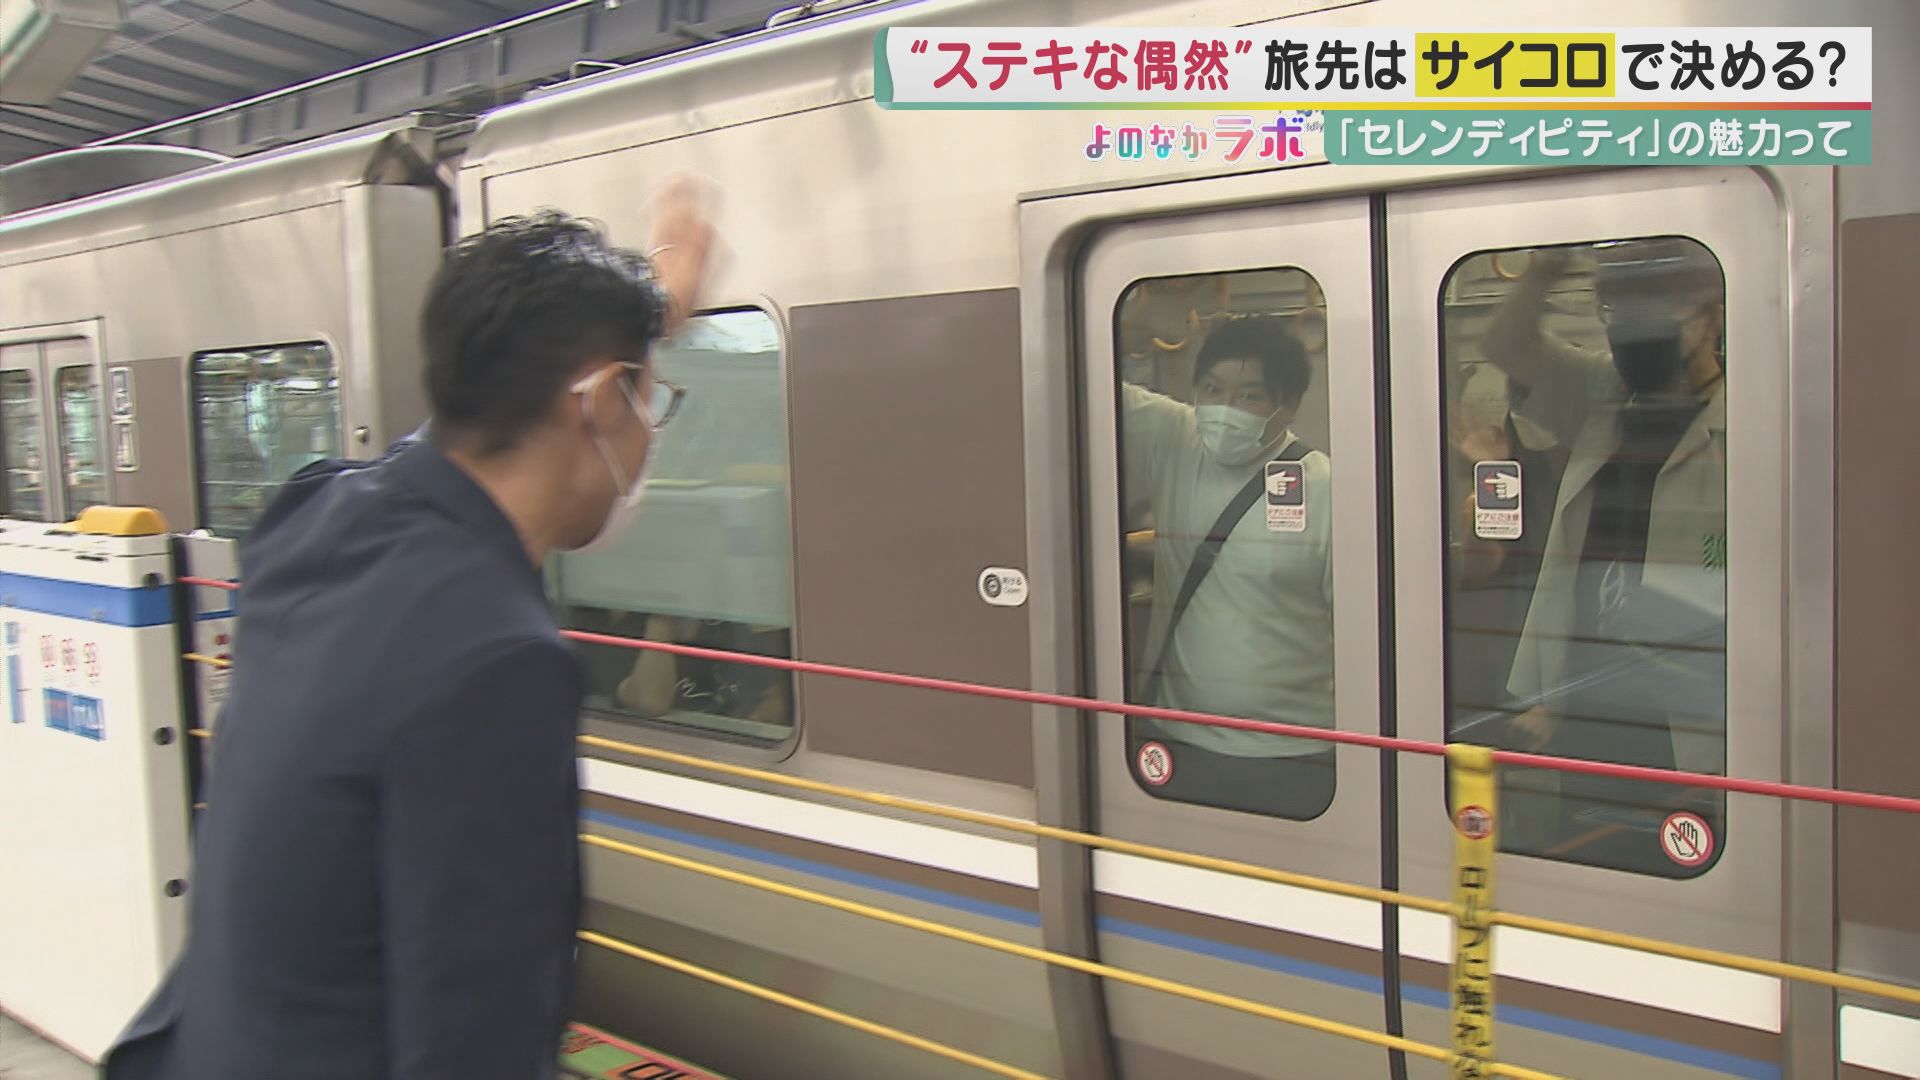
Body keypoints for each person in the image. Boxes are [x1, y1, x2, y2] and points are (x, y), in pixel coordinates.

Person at [99, 182, 717, 1079]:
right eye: (649, 401)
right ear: (598, 399)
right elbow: (474, 1035)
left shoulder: (317, 513)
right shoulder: (500, 660)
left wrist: (644, 312)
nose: (650, 436)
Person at [1477, 240, 1728, 865]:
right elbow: (1505, 344)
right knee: (1588, 857)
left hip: (1682, 710)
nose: (1634, 329)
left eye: (1657, 307)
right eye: (1615, 309)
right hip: (1585, 694)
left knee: (1677, 863)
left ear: (1712, 316)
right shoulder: (1604, 392)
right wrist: (1546, 268)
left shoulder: (1745, 417)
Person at [1119, 314, 1335, 820]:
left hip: (1293, 753)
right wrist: (1139, 321)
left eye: (1248, 396)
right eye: (1212, 390)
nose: (1223, 411)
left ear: (1288, 405)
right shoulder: (1175, 440)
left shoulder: (1325, 489)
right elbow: (1079, 379)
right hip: (1177, 740)